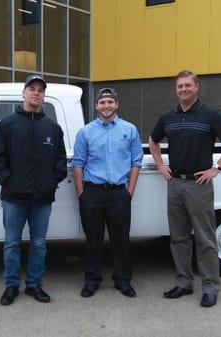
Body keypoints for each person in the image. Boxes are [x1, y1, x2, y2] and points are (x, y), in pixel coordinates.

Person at [148, 70, 221, 307]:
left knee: (205, 240)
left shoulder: (210, 114)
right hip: (175, 184)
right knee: (179, 239)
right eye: (180, 86)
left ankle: (210, 287)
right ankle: (183, 283)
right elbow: (153, 140)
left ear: (196, 87)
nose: (183, 90)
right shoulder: (168, 116)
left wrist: (216, 168)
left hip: (199, 185)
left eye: (187, 85)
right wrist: (160, 164)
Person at [0, 74, 67, 306]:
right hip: (14, 199)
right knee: (11, 243)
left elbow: (60, 163)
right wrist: (10, 184)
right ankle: (11, 285)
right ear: (23, 93)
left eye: (40, 90)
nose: (36, 93)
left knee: (39, 244)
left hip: (42, 200)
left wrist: (49, 185)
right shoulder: (7, 125)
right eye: (32, 89)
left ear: (44, 95)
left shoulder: (52, 128)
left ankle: (34, 285)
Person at [72, 88, 143, 298]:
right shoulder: (85, 132)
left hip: (119, 194)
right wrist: (81, 194)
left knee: (120, 239)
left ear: (116, 104)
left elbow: (136, 162)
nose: (106, 106)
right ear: (96, 106)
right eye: (102, 102)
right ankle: (92, 280)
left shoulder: (129, 130)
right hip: (92, 193)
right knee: (92, 240)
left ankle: (123, 280)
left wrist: (129, 191)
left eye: (110, 102)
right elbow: (78, 164)